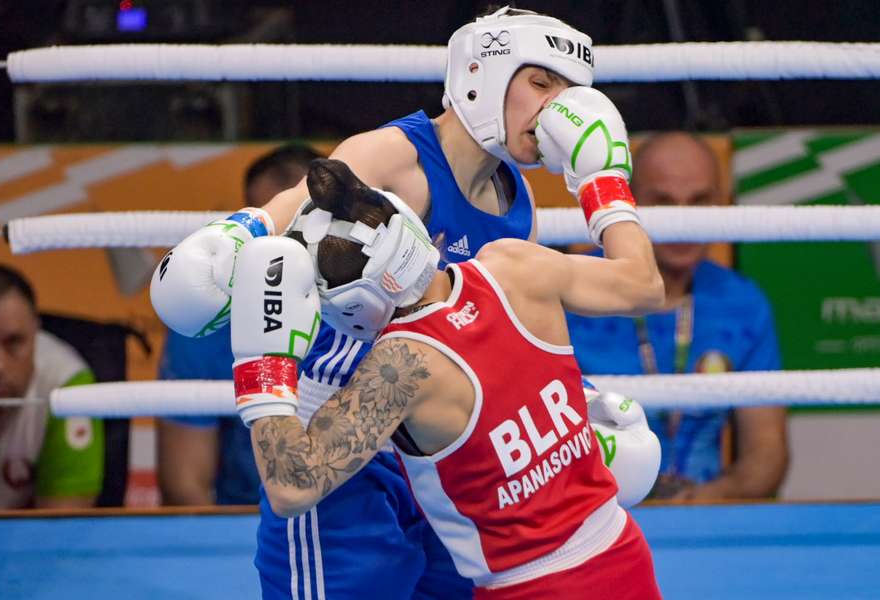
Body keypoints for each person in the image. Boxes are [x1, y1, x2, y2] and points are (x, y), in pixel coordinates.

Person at [151, 7, 634, 599]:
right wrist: (232, 238)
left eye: (569, 93)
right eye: (540, 84)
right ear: (486, 74)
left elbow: (502, 336)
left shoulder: (519, 200)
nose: (556, 110)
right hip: (335, 434)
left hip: (444, 452)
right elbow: (293, 207)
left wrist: (574, 407)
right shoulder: (395, 155)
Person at [229, 156, 664, 598]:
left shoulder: (401, 368)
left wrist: (262, 357)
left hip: (531, 588)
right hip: (622, 552)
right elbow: (645, 283)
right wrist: (600, 176)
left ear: (350, 308)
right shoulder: (515, 265)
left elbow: (291, 485)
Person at [566, 131, 789, 501]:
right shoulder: (572, 287)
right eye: (665, 201)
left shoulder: (742, 303)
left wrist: (700, 501)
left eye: (698, 201)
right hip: (590, 519)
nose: (682, 221)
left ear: (719, 204)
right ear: (629, 203)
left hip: (702, 525)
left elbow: (766, 455)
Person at [157, 142, 324, 506]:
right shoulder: (210, 318)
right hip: (247, 522)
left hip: (368, 519)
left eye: (300, 225)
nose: (283, 249)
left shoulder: (378, 302)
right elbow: (185, 485)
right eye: (272, 229)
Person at [0, 265, 104, 509]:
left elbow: (62, 536)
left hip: (22, 545)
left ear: (36, 332)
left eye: (14, 342)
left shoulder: (68, 387)